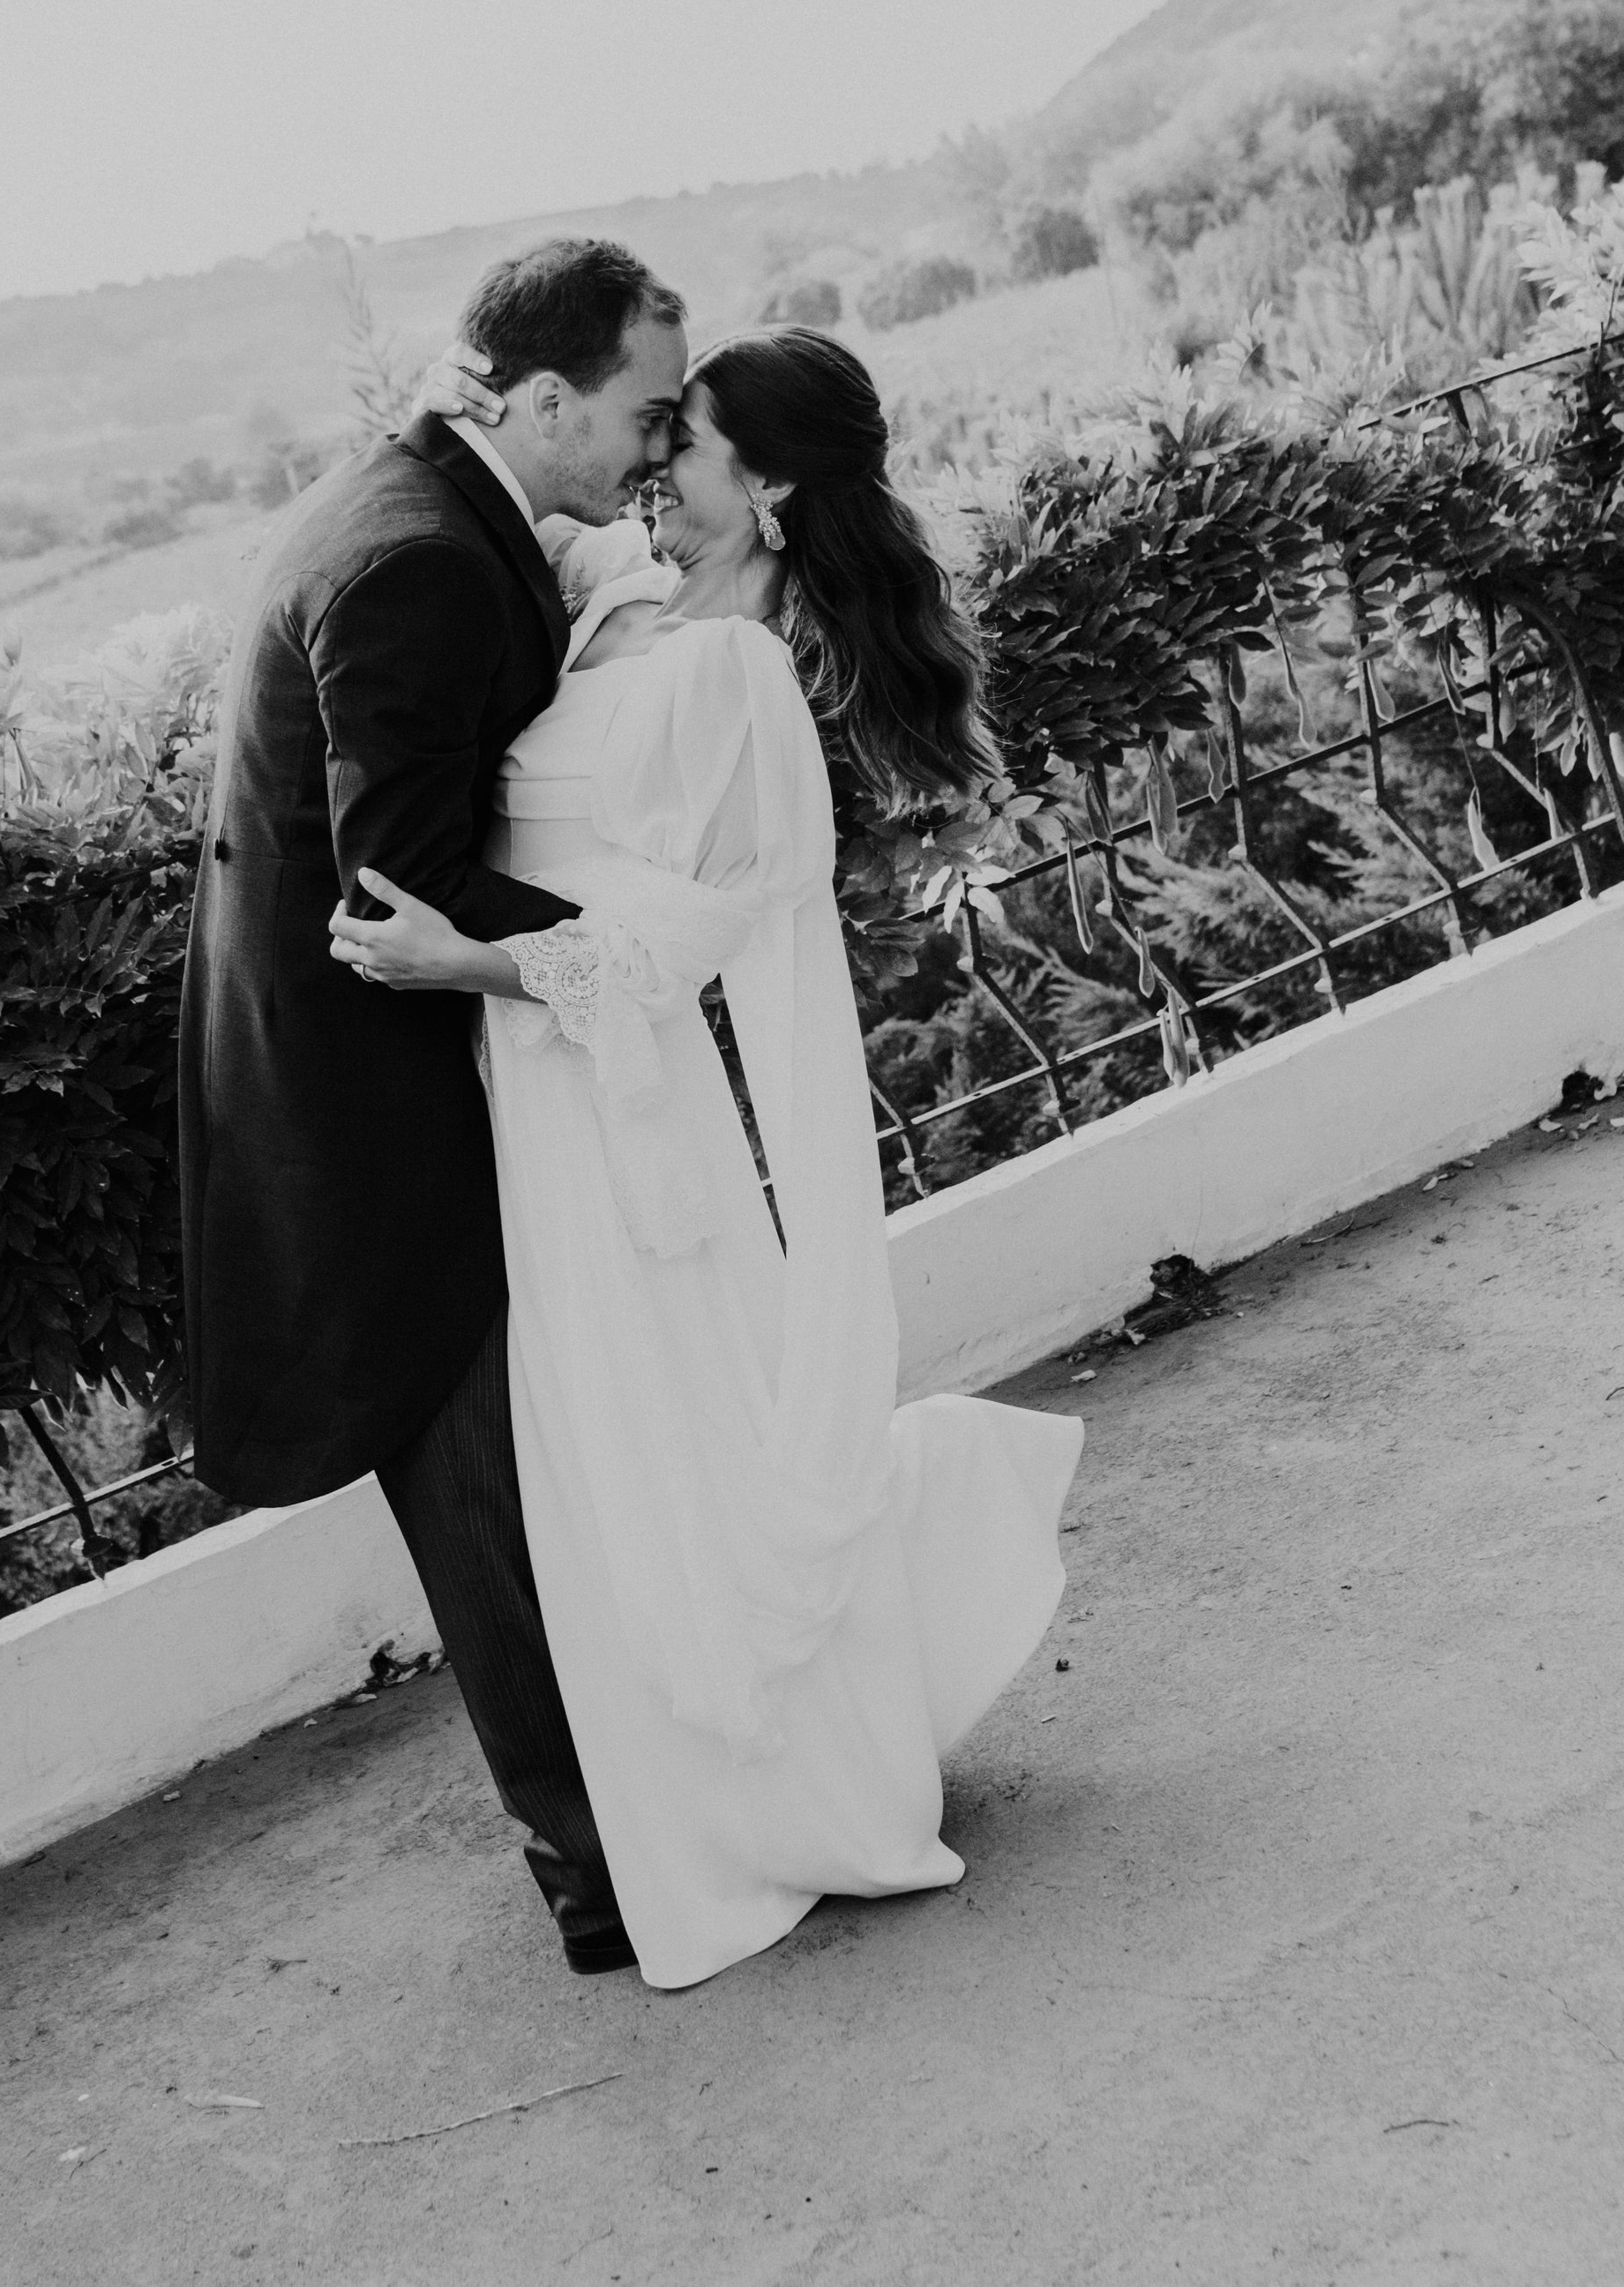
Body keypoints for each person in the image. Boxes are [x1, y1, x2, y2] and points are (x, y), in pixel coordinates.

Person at [331, 326, 1083, 1989]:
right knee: (615, 1462)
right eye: (654, 430)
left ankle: (770, 1803)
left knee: (660, 1445)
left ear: (775, 484)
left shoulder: (739, 672)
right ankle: (689, 1795)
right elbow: (499, 493)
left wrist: (471, 966)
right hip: (537, 1095)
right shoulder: (626, 606)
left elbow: (687, 931)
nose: (657, 461)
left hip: (609, 1095)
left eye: (692, 440)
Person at [180, 236, 688, 1973]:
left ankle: (620, 1820)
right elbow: (394, 891)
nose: (655, 448)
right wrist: (642, 949)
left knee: (511, 1482)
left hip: (372, 1086)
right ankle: (598, 1872)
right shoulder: (418, 560)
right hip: (369, 1117)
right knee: (482, 1492)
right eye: (642, 412)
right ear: (541, 400)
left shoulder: (410, 504)